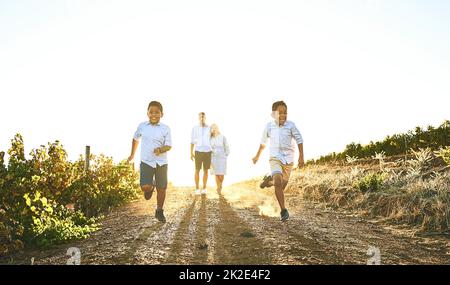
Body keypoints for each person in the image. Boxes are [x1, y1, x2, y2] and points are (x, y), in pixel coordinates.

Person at [252, 100, 304, 221]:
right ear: (273, 114)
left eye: (285, 113)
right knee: (279, 181)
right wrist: (257, 156)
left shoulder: (291, 125)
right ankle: (283, 211)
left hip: (288, 161)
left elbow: (299, 139)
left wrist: (301, 156)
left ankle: (268, 182)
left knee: (281, 186)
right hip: (275, 158)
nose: (283, 115)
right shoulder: (269, 127)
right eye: (280, 113)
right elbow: (263, 143)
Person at [128, 101, 172, 223]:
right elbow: (135, 139)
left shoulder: (165, 128)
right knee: (144, 187)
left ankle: (159, 210)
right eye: (151, 112)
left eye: (157, 112)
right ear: (147, 113)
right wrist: (132, 154)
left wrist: (160, 149)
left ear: (161, 114)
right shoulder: (142, 126)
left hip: (161, 162)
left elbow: (169, 145)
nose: (154, 114)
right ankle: (150, 186)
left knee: (162, 188)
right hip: (146, 161)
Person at [190, 112, 212, 196]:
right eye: (200, 116)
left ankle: (204, 188)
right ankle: (197, 188)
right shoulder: (195, 128)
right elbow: (192, 141)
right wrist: (191, 153)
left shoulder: (209, 128)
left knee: (206, 170)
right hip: (198, 151)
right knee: (197, 170)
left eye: (203, 116)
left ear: (205, 117)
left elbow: (212, 140)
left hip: (208, 151)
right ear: (198, 118)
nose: (202, 118)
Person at [210, 124, 230, 194]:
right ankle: (218, 187)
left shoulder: (222, 137)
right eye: (212, 128)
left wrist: (226, 154)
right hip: (213, 157)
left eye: (215, 128)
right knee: (216, 173)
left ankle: (220, 185)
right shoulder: (210, 138)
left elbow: (226, 146)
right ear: (211, 130)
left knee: (221, 174)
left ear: (218, 129)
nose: (214, 129)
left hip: (222, 156)